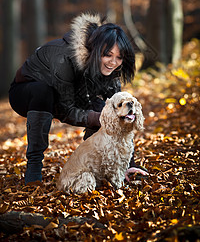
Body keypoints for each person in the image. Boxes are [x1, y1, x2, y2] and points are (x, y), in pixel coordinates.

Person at [9, 12, 147, 186]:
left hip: (70, 92)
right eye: (108, 55)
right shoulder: (64, 58)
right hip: (27, 94)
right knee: (43, 92)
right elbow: (66, 110)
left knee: (103, 108)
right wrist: (99, 118)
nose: (113, 62)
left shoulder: (111, 69)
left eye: (119, 57)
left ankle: (110, 166)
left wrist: (130, 163)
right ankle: (34, 167)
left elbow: (119, 111)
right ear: (96, 50)